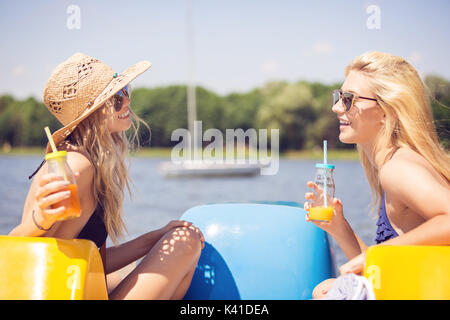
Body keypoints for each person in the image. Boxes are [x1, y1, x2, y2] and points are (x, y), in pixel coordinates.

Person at [9, 53, 205, 300]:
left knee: (129, 268)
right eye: (116, 99)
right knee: (185, 240)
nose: (126, 103)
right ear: (91, 114)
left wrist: (156, 236)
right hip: (60, 292)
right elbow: (22, 252)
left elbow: (92, 261)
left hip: (72, 286)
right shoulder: (76, 166)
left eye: (124, 91)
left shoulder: (84, 160)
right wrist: (39, 222)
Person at [304, 51, 450, 299]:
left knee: (325, 290)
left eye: (348, 99)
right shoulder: (394, 164)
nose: (337, 107)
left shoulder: (398, 168)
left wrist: (371, 256)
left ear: (385, 111)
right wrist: (341, 228)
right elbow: (379, 270)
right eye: (339, 96)